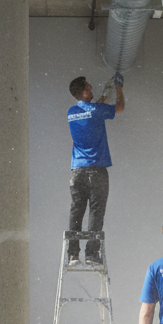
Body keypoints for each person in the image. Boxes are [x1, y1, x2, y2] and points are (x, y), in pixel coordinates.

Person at [66, 73, 124, 265]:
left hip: (77, 172)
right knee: (96, 212)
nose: (91, 88)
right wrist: (118, 89)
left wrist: (101, 100)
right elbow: (120, 108)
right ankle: (91, 254)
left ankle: (73, 254)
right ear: (83, 92)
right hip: (97, 170)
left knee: (77, 211)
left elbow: (90, 113)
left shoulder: (71, 112)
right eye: (88, 87)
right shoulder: (97, 110)